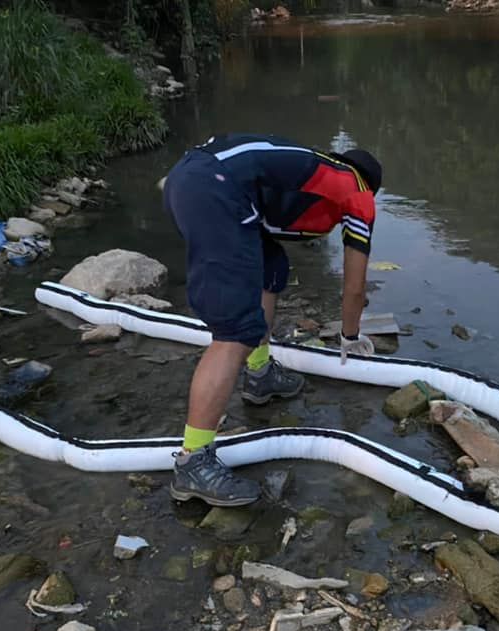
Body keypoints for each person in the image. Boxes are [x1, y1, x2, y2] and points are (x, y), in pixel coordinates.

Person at [163, 133, 382, 507]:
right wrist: (350, 334)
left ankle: (260, 374)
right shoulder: (357, 190)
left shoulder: (309, 167)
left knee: (271, 268)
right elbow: (354, 286)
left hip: (196, 177)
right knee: (235, 330)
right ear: (371, 185)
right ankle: (193, 461)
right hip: (214, 189)